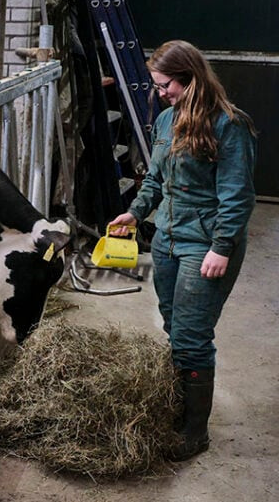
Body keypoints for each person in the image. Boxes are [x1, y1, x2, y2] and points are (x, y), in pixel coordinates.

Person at [109, 40, 257, 461]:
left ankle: (194, 434)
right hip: (168, 239)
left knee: (192, 338)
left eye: (165, 85)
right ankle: (178, 410)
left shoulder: (230, 125)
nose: (161, 93)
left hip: (206, 245)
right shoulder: (167, 121)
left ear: (190, 77)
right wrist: (135, 214)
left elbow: (237, 195)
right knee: (175, 328)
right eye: (157, 87)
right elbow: (155, 181)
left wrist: (222, 248)